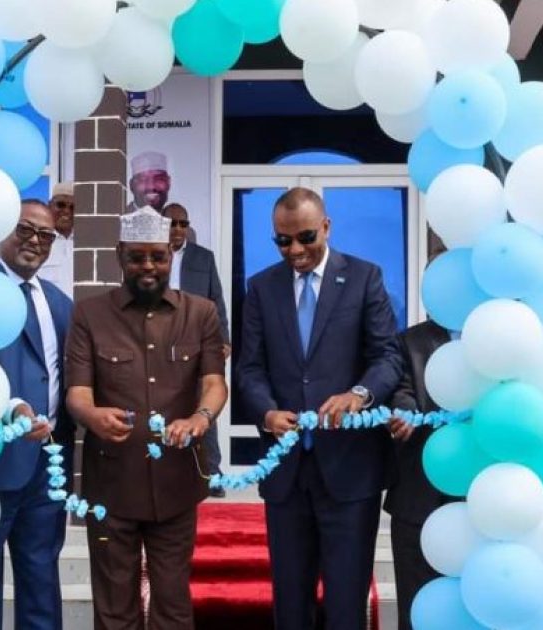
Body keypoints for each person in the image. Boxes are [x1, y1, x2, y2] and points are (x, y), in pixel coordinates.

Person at [236, 187, 401, 630]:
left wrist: (360, 395)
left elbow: (387, 357)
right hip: (285, 470)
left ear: (326, 226)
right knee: (290, 605)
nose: (295, 250)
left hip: (350, 469)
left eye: (305, 237)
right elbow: (249, 369)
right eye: (282, 241)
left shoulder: (365, 277)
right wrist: (267, 413)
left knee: (347, 605)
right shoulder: (261, 287)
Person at [65, 206, 228, 630]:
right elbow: (77, 394)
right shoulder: (89, 315)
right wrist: (93, 415)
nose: (148, 267)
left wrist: (201, 419)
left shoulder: (202, 313)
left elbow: (215, 383)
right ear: (120, 255)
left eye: (157, 256)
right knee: (114, 606)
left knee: (173, 604)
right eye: (137, 257)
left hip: (177, 483)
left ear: (171, 253)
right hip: (111, 485)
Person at [0, 200, 77, 630]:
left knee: (40, 580)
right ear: (2, 230)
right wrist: (10, 409)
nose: (35, 241)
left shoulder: (58, 301)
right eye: (26, 230)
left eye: (46, 235)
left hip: (47, 466)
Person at [382, 244, 453, 630]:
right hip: (419, 500)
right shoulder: (410, 341)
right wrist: (405, 412)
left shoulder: (499, 336)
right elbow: (402, 390)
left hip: (486, 506)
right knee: (418, 611)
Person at [164, 202, 231, 497]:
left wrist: (223, 338)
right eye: (172, 223)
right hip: (162, 341)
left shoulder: (203, 257)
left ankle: (211, 472)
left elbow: (217, 299)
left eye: (182, 223)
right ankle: (169, 469)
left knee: (206, 405)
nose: (178, 229)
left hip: (199, 339)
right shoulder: (151, 255)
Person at [126, 150, 196, 243]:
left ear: (168, 182)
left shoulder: (186, 234)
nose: (151, 186)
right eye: (143, 179)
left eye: (159, 179)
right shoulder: (117, 224)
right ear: (131, 185)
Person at [37, 182, 75, 298]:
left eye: (73, 207)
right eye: (61, 205)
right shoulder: (38, 241)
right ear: (49, 206)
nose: (67, 211)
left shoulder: (86, 244)